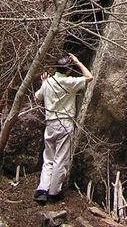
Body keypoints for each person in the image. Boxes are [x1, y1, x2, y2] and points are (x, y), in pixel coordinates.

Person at [33, 51, 94, 205]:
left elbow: (37, 97)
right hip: (65, 123)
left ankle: (42, 190)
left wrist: (44, 83)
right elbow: (89, 77)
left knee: (49, 157)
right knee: (61, 158)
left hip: (50, 124)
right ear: (68, 70)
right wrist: (78, 61)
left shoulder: (48, 82)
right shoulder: (70, 82)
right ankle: (54, 192)